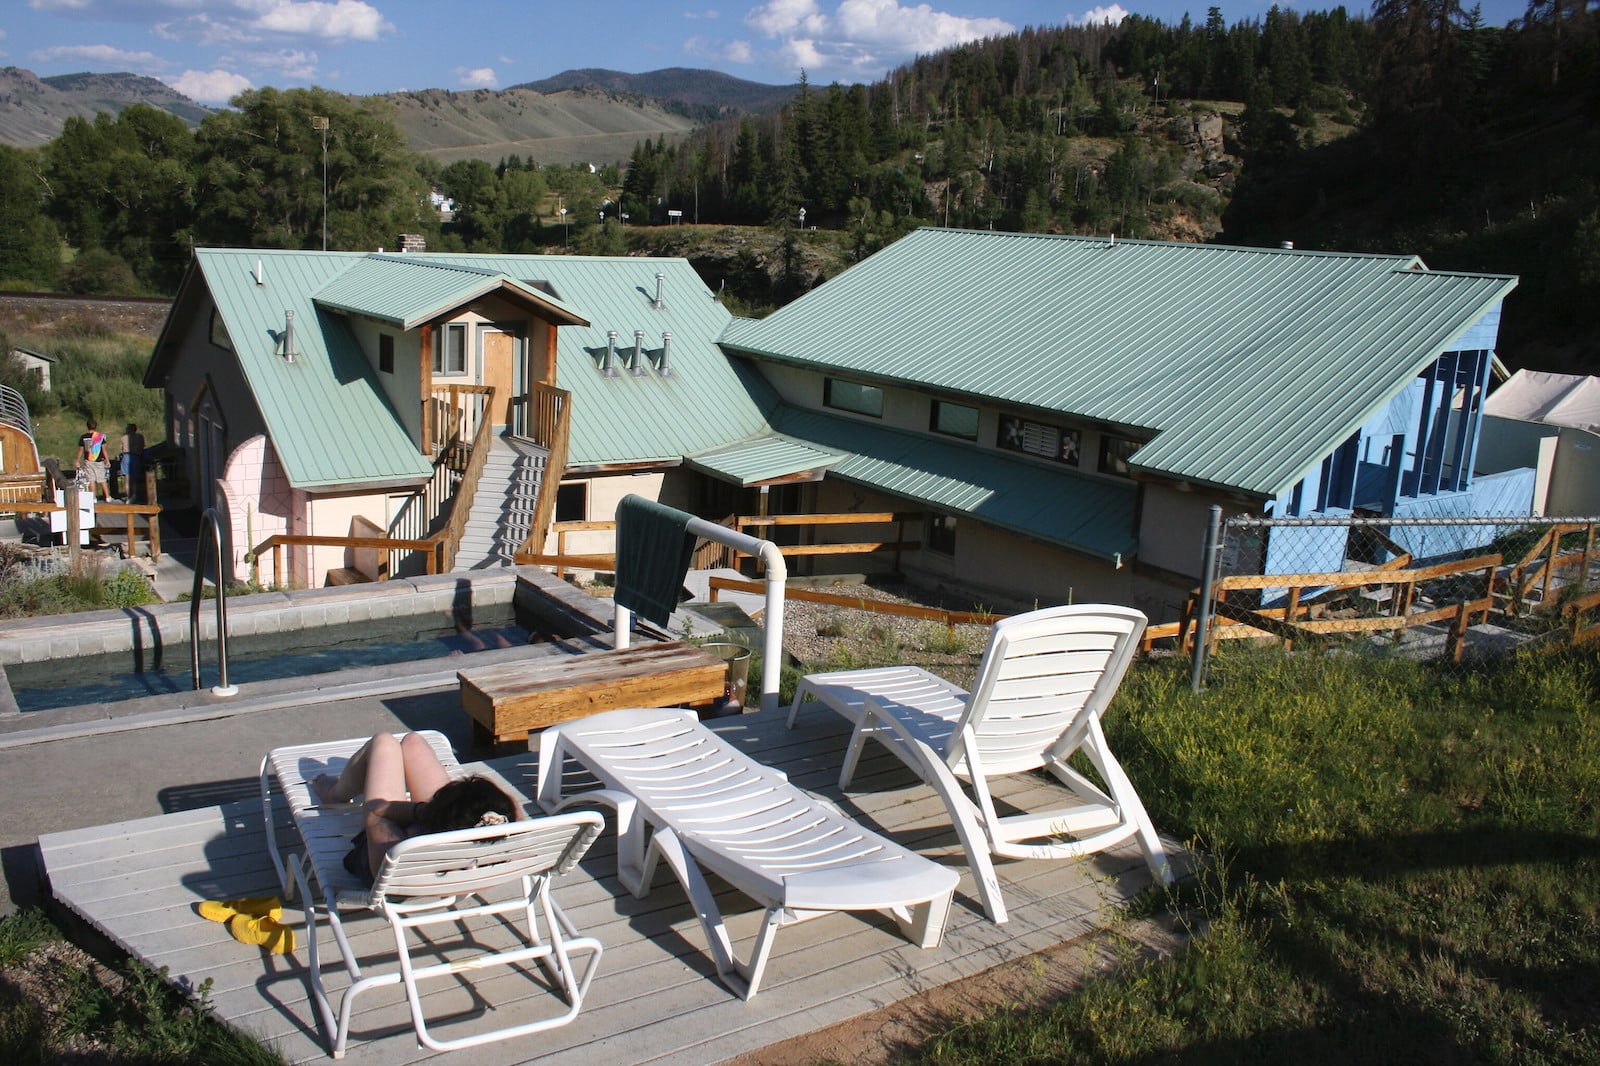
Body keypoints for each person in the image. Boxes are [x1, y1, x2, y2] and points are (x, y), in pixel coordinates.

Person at [312, 733, 518, 882]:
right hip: (456, 850)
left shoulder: (396, 854)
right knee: (413, 741)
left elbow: (375, 811)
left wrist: (422, 811)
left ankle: (333, 794)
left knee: (384, 743)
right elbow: (512, 807)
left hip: (396, 857)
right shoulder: (509, 832)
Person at [74, 418, 111, 502]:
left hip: (88, 460)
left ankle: (93, 498)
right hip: (99, 460)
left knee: (91, 479)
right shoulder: (100, 436)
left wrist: (77, 460)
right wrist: (107, 460)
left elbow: (81, 450)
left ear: (87, 426)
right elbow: (104, 449)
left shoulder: (83, 437)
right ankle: (108, 497)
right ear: (96, 426)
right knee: (102, 479)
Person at [118, 423, 145, 503]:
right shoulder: (140, 437)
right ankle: (134, 495)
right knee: (135, 479)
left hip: (126, 456)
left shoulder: (123, 438)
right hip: (136, 456)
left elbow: (121, 449)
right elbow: (142, 446)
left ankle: (128, 496)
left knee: (127, 478)